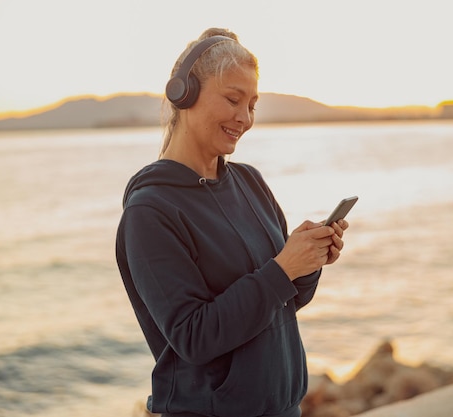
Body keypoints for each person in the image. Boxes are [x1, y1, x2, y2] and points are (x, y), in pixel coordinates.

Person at [115, 27, 349, 417]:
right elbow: (194, 338)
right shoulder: (150, 212)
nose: (245, 118)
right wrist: (283, 267)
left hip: (284, 408)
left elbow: (286, 299)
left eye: (252, 104)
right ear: (184, 94)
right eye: (232, 99)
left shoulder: (249, 181)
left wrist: (308, 263)